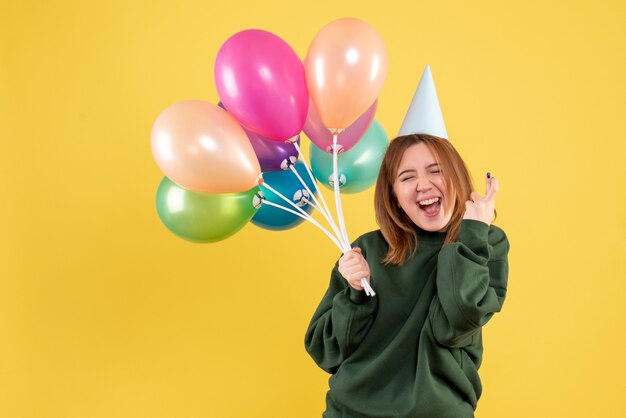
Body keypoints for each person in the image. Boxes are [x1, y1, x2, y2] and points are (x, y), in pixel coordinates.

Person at [305, 133, 510, 418]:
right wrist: (354, 294)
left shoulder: (487, 242)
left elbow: (457, 322)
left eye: (436, 170)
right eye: (406, 177)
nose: (423, 185)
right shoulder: (366, 250)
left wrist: (471, 236)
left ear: (457, 177)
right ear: (394, 197)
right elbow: (326, 351)